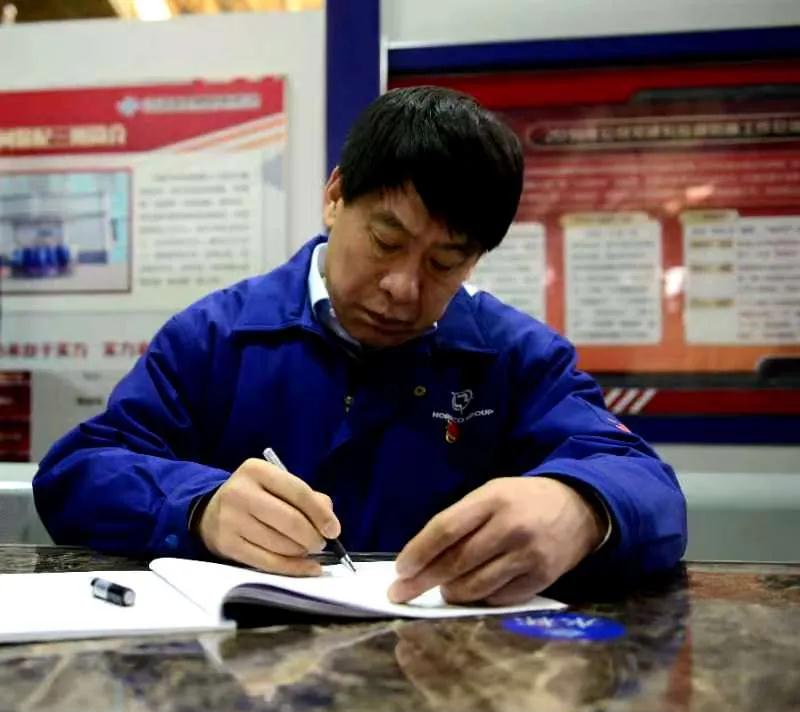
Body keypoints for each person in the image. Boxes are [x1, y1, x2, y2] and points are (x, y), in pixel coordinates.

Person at [33, 86, 686, 606]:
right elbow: (77, 472)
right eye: (385, 241)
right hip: (242, 676)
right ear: (335, 197)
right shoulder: (216, 337)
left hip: (444, 679)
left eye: (445, 262)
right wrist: (197, 506)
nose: (403, 287)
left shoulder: (517, 358)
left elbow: (647, 486)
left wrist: (581, 508)